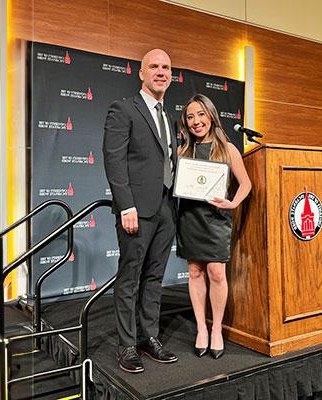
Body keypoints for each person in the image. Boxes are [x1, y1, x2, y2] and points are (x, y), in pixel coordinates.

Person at [103, 49, 178, 373]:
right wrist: (126, 205)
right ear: (141, 73)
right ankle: (127, 345)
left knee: (154, 276)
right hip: (137, 210)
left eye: (166, 67)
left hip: (167, 208)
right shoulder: (124, 109)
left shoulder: (169, 116)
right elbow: (114, 159)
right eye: (154, 67)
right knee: (130, 277)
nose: (160, 72)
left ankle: (149, 336)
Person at [176, 94, 251, 359]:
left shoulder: (228, 149)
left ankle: (216, 328)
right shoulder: (183, 150)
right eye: (190, 116)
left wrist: (232, 204)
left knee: (217, 273)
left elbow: (246, 184)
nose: (196, 121)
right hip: (190, 219)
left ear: (211, 115)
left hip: (217, 220)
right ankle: (201, 329)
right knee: (195, 273)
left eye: (201, 114)